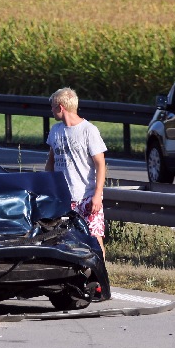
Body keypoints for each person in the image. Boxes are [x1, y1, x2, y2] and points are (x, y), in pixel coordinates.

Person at [45, 87, 107, 256]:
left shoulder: (88, 130)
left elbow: (101, 164)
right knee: (66, 239)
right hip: (64, 197)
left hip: (87, 196)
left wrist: (97, 195)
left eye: (53, 107)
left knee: (94, 238)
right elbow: (50, 162)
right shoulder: (56, 131)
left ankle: (100, 268)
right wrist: (48, 187)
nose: (51, 111)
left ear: (61, 107)